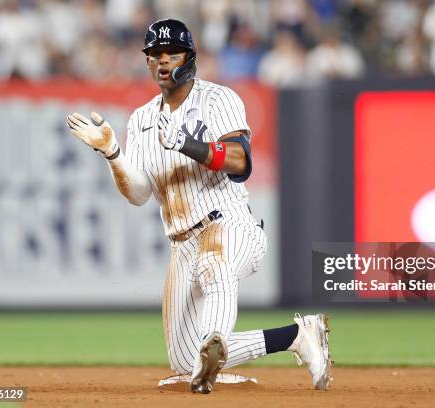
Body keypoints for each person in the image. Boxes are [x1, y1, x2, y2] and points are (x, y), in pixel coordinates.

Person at [66, 18, 331, 394]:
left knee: (215, 266)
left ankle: (214, 343)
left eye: (171, 53)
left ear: (189, 58)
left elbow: (241, 162)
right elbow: (139, 193)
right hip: (181, 243)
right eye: (154, 55)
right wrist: (112, 154)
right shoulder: (142, 120)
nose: (162, 62)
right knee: (183, 359)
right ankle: (298, 335)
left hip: (229, 224)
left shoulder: (218, 99)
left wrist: (188, 144)